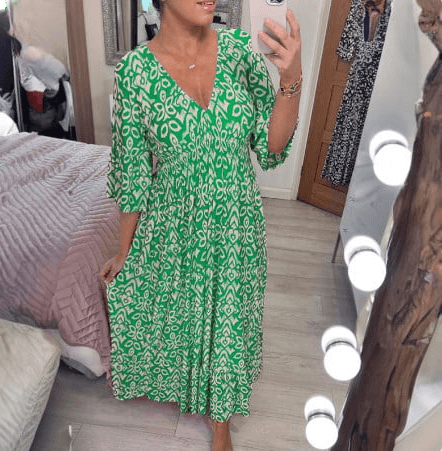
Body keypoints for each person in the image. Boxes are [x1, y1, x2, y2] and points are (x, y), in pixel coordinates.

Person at [100, 1, 301, 449]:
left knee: (228, 320)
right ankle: (194, 390)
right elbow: (133, 175)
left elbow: (272, 146)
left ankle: (221, 421)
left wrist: (291, 78)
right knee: (189, 315)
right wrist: (124, 251)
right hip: (176, 226)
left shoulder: (239, 53)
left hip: (236, 225)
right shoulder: (134, 73)